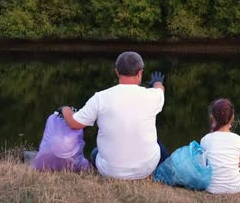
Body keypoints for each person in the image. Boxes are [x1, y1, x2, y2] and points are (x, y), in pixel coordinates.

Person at [59, 51, 168, 180]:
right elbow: (160, 89)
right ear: (140, 72)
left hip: (109, 170)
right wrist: (156, 82)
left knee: (95, 152)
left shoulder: (100, 98)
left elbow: (74, 124)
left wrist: (65, 109)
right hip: (146, 169)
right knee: (158, 145)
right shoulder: (152, 96)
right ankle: (165, 170)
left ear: (117, 72)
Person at [200, 98, 240, 194]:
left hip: (211, 188)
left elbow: (203, 164)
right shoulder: (239, 140)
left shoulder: (205, 139)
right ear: (232, 117)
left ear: (212, 117)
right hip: (235, 188)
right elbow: (239, 163)